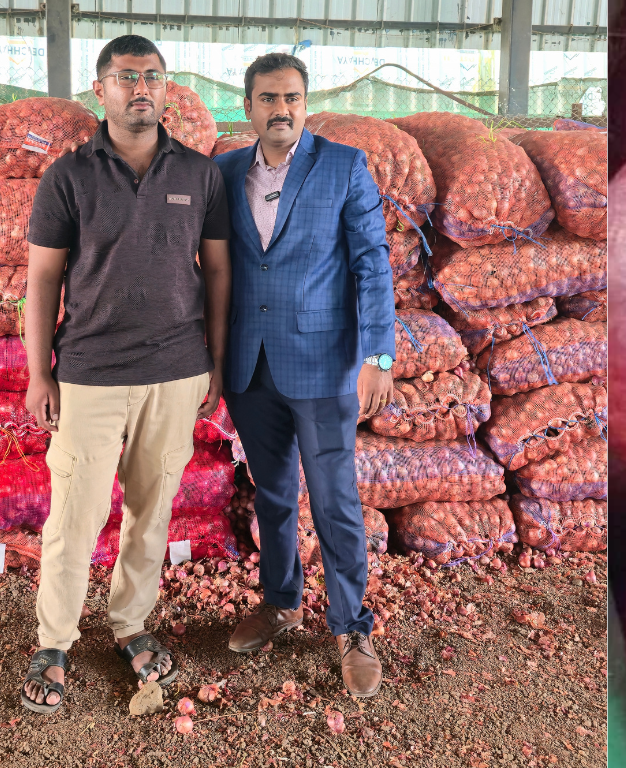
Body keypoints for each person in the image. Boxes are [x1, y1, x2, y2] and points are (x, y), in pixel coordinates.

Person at [20, 34, 232, 713]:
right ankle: (54, 640)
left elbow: (219, 272)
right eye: (125, 76)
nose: (140, 88)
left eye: (153, 77)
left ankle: (131, 625)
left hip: (176, 371)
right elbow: (43, 278)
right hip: (90, 372)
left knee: (151, 512)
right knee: (75, 517)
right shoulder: (69, 177)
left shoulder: (199, 175)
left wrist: (215, 364)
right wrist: (38, 374)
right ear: (100, 89)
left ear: (167, 90)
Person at [213, 53, 393, 698]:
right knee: (272, 493)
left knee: (336, 500)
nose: (280, 109)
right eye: (267, 98)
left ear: (305, 103)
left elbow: (373, 262)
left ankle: (351, 627)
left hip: (322, 362)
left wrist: (379, 356)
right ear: (249, 108)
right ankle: (281, 600)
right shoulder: (225, 170)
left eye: (290, 97)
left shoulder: (342, 165)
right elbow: (214, 268)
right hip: (249, 363)